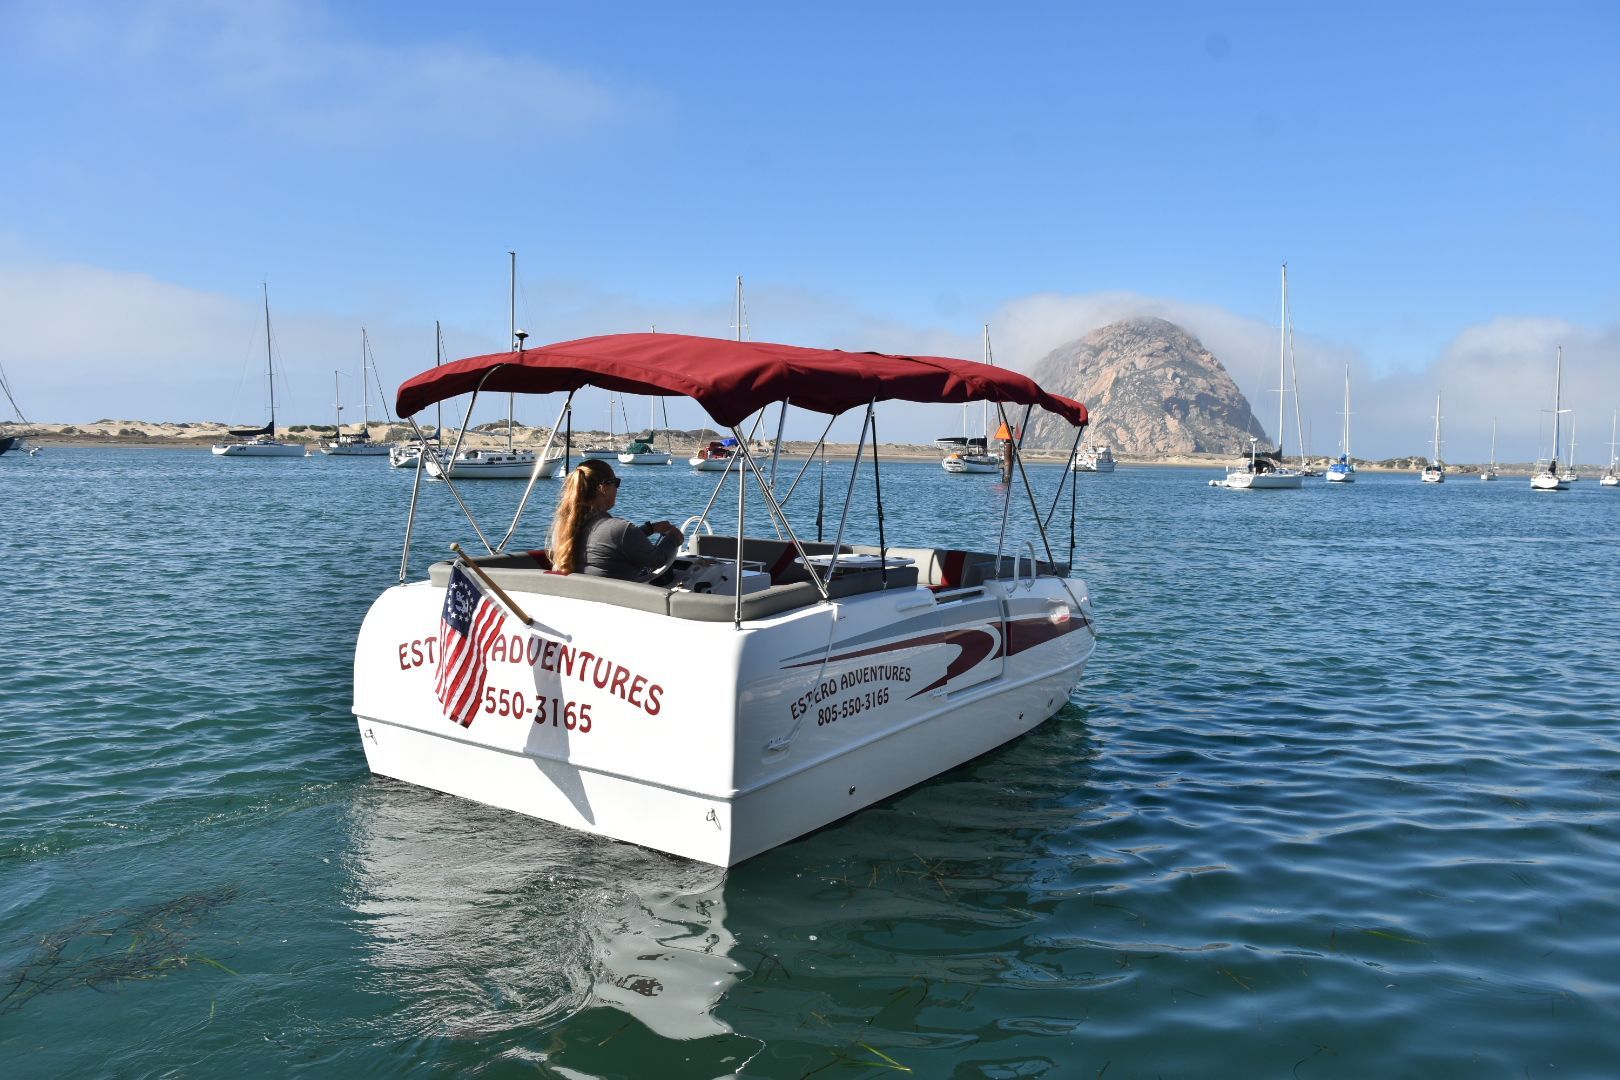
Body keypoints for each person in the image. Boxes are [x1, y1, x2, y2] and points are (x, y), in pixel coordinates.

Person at [549, 458, 683, 580]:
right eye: (616, 483)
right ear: (604, 487)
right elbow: (656, 560)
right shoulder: (620, 529)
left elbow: (607, 543)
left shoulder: (562, 527)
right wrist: (674, 538)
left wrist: (649, 529)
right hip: (619, 603)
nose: (617, 488)